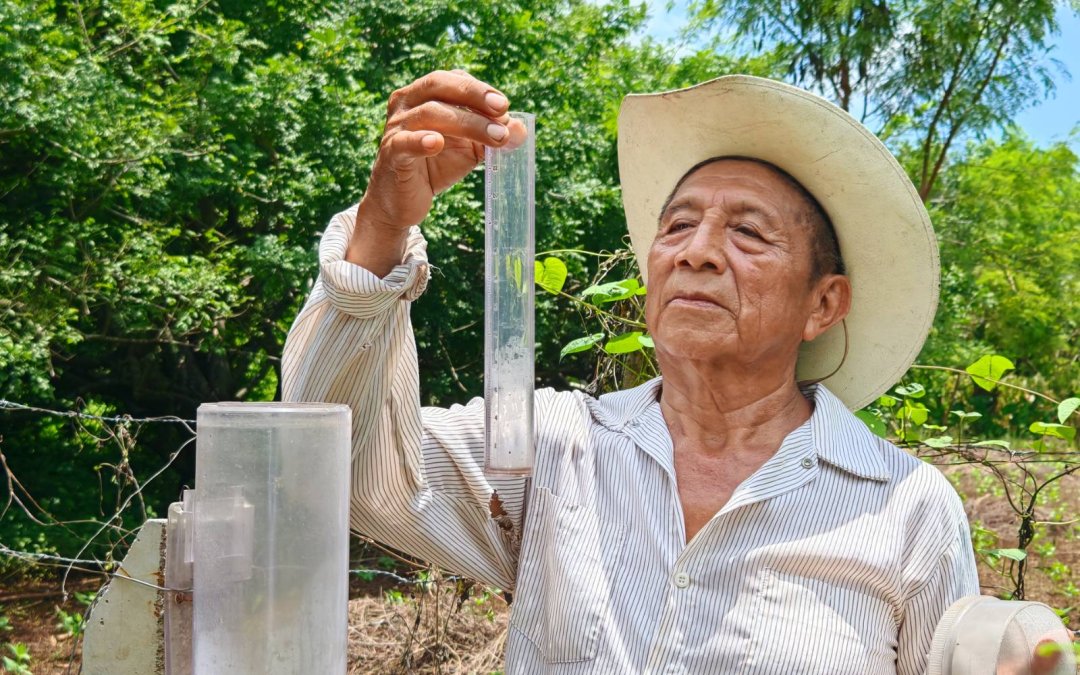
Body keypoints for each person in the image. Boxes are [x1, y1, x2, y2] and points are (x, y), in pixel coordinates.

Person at [282, 71, 1068, 673]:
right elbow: (340, 469)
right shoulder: (556, 446)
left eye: (750, 233)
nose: (695, 250)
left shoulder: (904, 508)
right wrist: (382, 228)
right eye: (679, 224)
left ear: (823, 304)